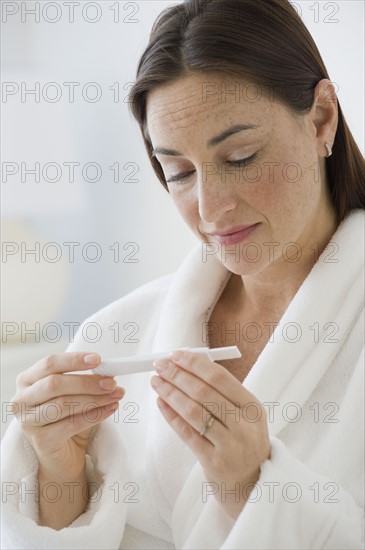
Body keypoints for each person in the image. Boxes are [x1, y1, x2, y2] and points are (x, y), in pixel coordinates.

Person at [1, 0, 364, 548]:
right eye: (178, 172)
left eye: (241, 157)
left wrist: (252, 486)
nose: (211, 208)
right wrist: (59, 473)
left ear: (321, 120)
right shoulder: (116, 335)